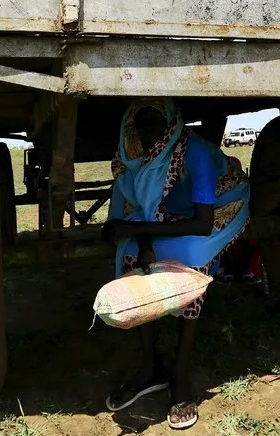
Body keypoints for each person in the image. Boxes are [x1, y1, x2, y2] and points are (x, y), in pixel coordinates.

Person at [102, 98, 250, 430]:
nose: (147, 133)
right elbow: (138, 208)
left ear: (170, 123)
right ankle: (149, 368)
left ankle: (180, 378)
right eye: (140, 125)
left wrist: (141, 230)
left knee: (191, 261)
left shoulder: (194, 152)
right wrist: (141, 239)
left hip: (220, 206)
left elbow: (201, 224)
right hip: (167, 217)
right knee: (130, 254)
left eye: (153, 123)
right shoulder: (137, 156)